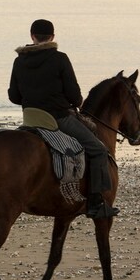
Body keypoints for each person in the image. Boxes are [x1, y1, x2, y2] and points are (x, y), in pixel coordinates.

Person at [8, 18, 118, 219]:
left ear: (32, 36)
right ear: (52, 37)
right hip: (57, 118)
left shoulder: (19, 60)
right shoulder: (59, 58)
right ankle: (96, 202)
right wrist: (75, 100)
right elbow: (74, 94)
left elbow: (14, 96)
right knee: (98, 149)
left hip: (30, 119)